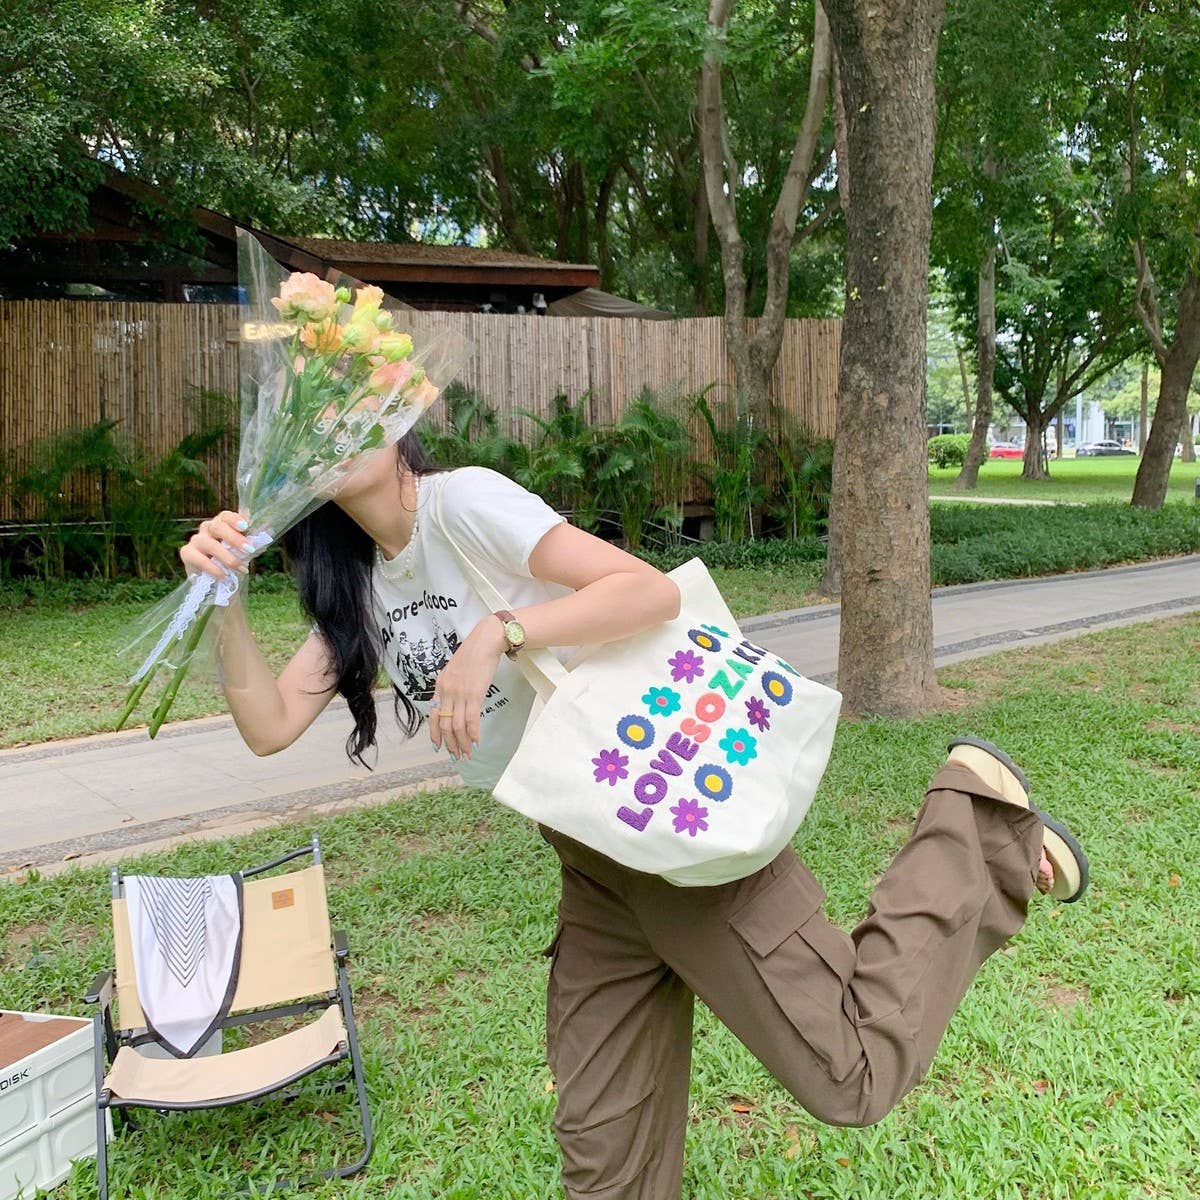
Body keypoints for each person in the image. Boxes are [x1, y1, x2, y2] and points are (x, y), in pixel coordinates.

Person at [183, 436, 1089, 1200]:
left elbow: (649, 592)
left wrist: (500, 631)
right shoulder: (360, 584)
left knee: (850, 1073)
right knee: (604, 1151)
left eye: (354, 410)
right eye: (314, 424)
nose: (337, 435)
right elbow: (269, 726)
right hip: (590, 859)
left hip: (673, 833)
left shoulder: (462, 505)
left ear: (394, 421)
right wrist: (224, 597)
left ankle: (973, 818)